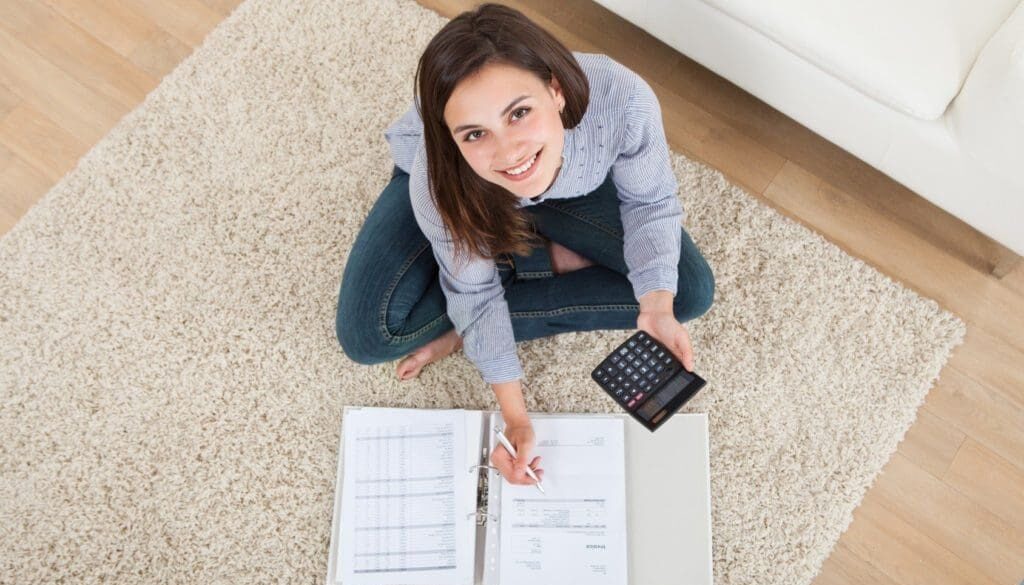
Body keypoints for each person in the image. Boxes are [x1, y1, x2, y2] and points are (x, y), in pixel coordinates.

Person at [335, 3, 714, 488]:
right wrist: (516, 420)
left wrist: (656, 307)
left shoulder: (622, 100)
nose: (509, 150)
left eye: (519, 113)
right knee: (369, 338)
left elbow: (651, 202)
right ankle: (503, 269)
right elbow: (473, 294)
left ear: (555, 90)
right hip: (471, 188)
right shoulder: (439, 174)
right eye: (475, 132)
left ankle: (505, 269)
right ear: (451, 139)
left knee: (685, 291)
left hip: (568, 177)